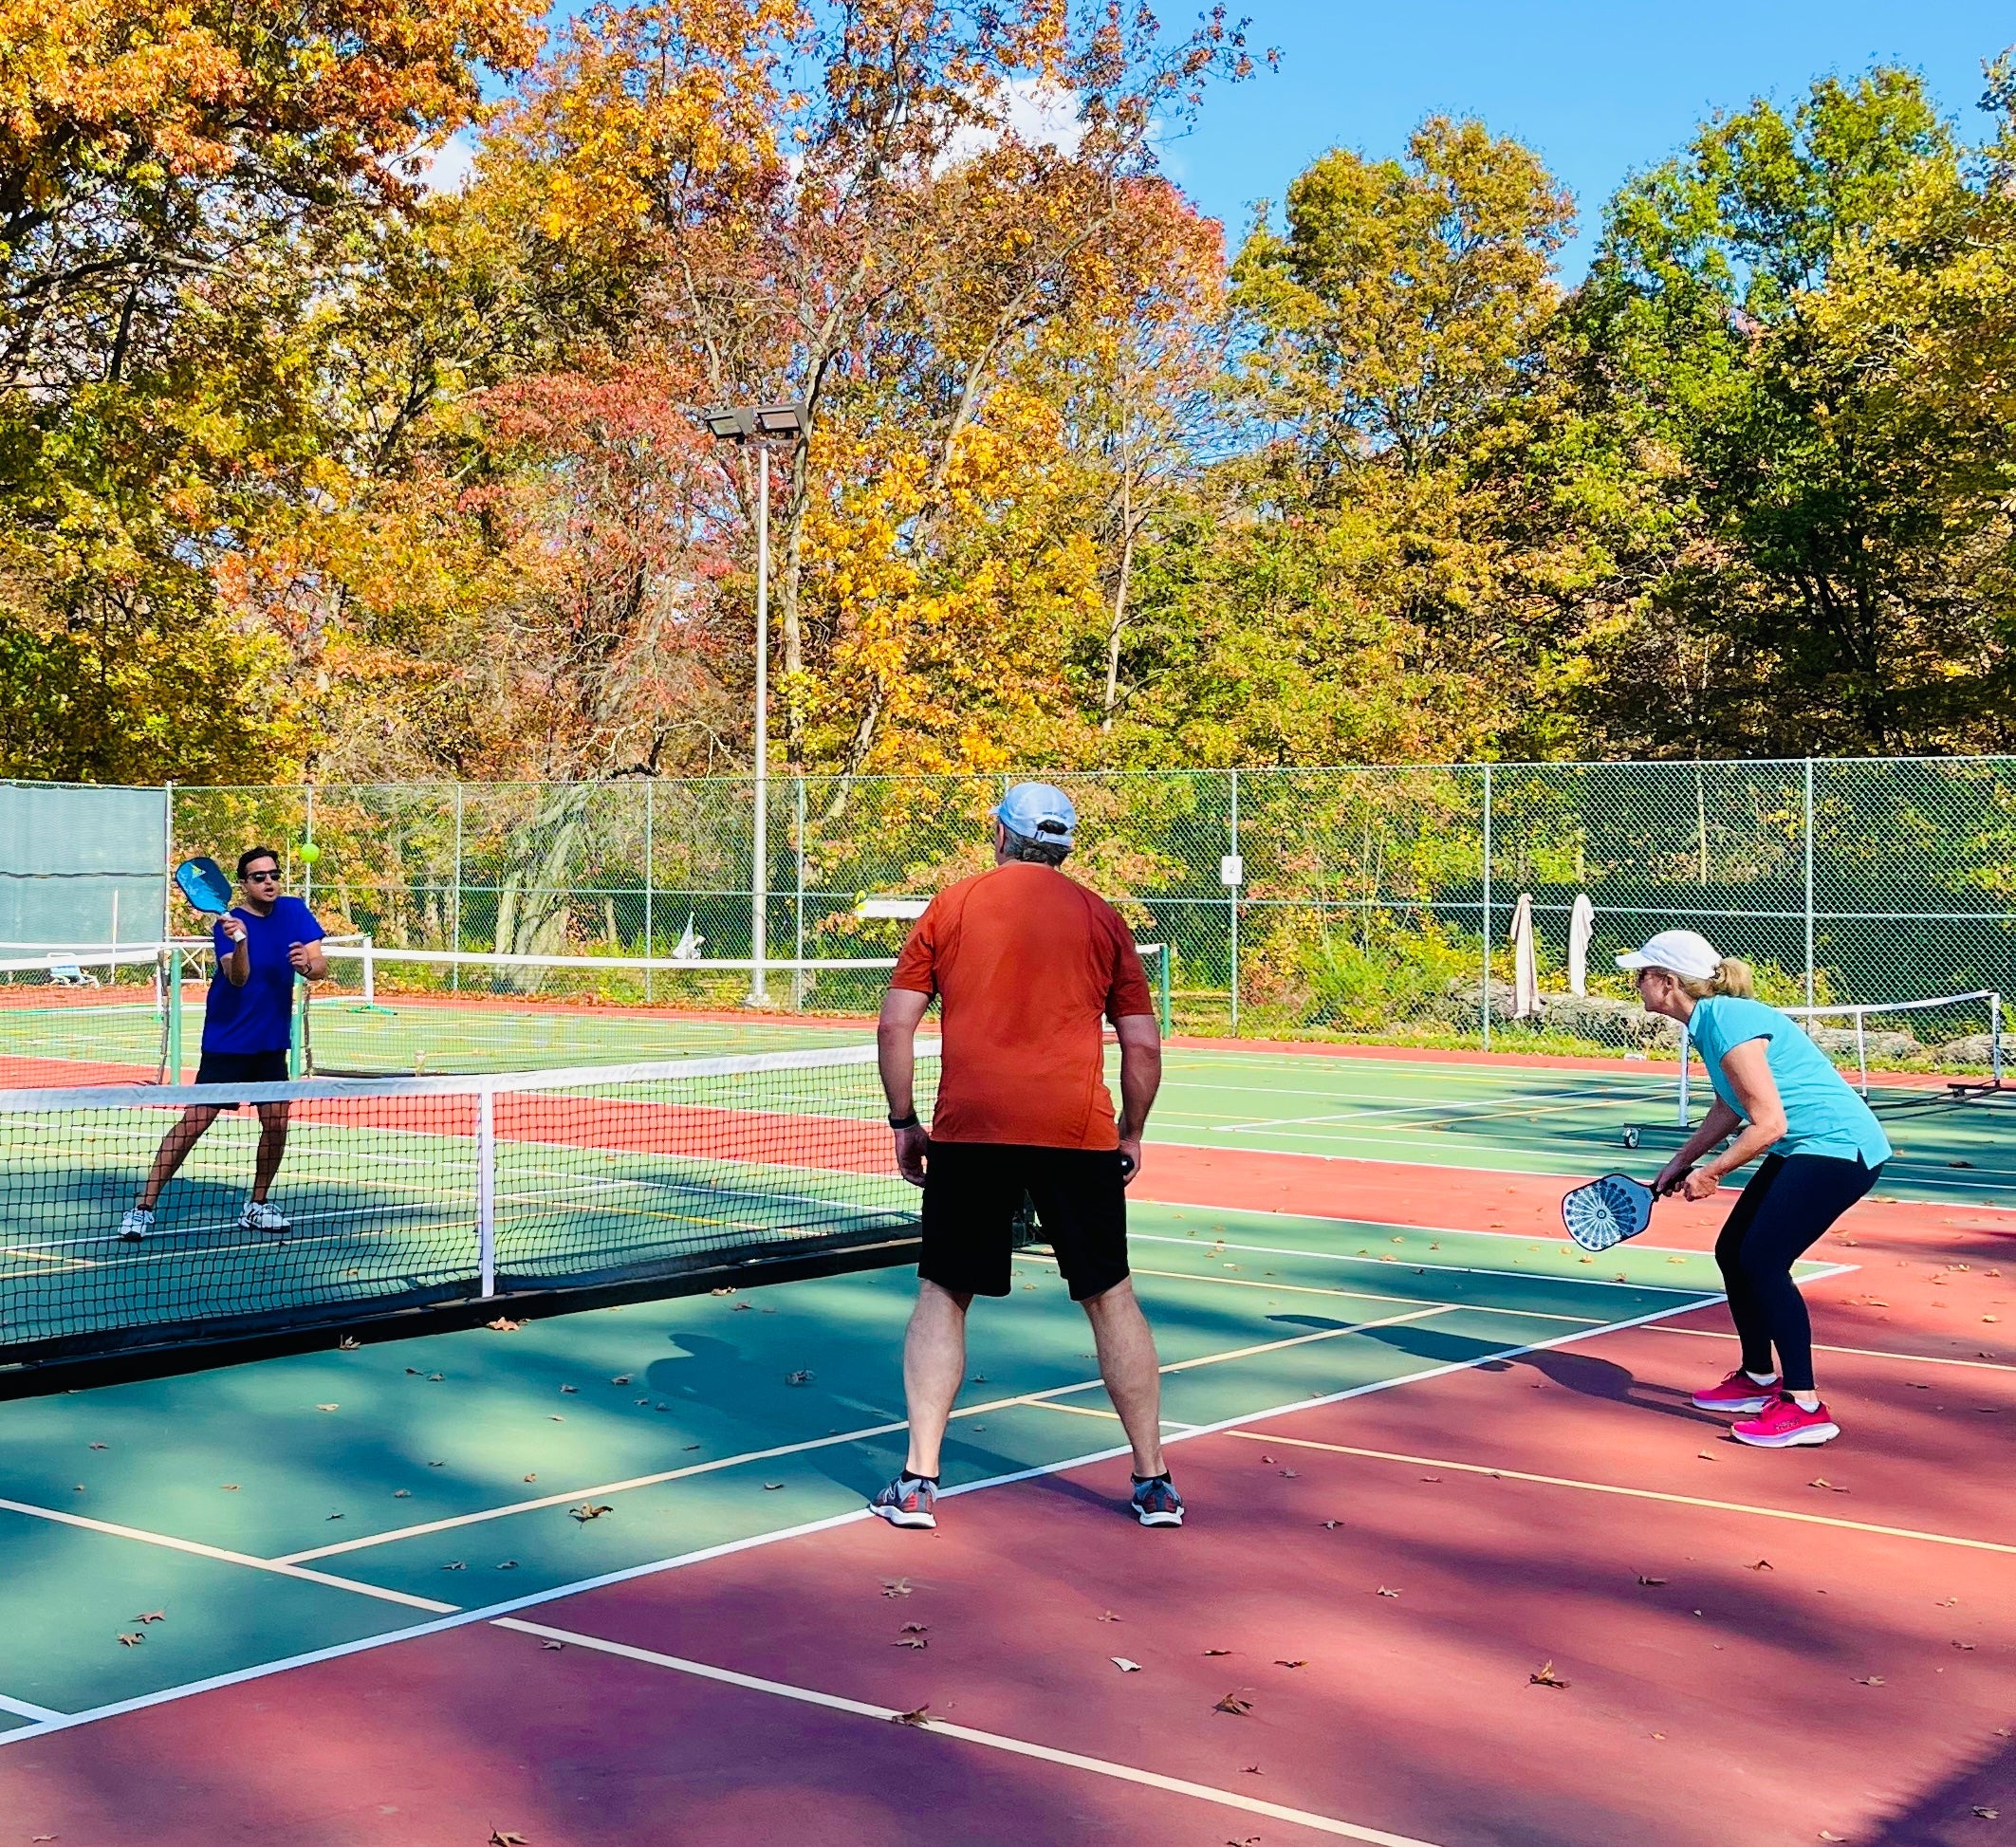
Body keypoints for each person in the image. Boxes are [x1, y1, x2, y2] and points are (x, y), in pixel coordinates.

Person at [871, 783, 1180, 1529]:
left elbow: (894, 1028)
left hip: (971, 1132)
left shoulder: (950, 905)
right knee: (1111, 1294)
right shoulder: (1102, 918)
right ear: (1065, 846)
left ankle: (918, 1482)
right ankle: (1154, 1482)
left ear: (998, 834)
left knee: (944, 1292)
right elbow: (1141, 1044)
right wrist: (1130, 1132)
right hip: (1076, 1135)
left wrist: (905, 1120)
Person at [1621, 929, 1890, 1449]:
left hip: (1839, 1150)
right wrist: (1683, 1159)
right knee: (1734, 1251)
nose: (1636, 984)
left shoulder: (1725, 1020)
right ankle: (1757, 1377)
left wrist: (1713, 1173)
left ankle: (1804, 1405)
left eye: (1642, 975)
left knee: (1763, 1262)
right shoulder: (1711, 1021)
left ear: (1667, 981)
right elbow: (1731, 1103)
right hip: (1810, 1148)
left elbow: (1768, 1123)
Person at [120, 847, 328, 1242]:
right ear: (244, 885)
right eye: (258, 877)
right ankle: (142, 1208)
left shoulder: (295, 911)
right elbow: (237, 977)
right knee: (194, 1123)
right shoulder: (227, 925)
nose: (268, 882)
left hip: (270, 1043)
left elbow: (319, 966)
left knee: (277, 1123)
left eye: (273, 874)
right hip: (228, 1042)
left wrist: (307, 965)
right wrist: (243, 942)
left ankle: (258, 1204)